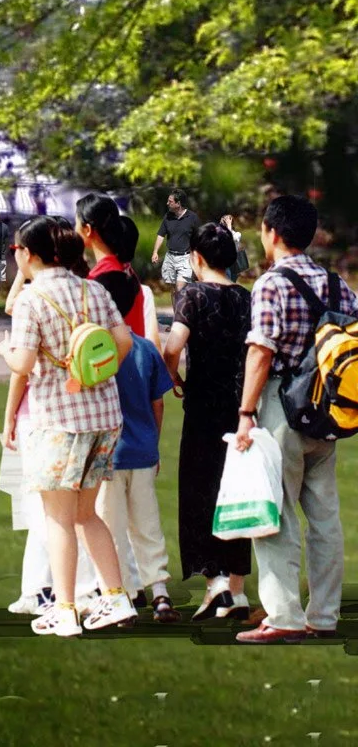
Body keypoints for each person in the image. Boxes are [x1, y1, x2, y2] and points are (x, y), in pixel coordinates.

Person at [1, 215, 138, 637]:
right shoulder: (92, 289)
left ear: (29, 253)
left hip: (58, 421)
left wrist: (5, 350)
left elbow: (23, 362)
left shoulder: (31, 298)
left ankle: (65, 609)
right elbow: (123, 342)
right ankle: (115, 597)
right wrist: (91, 371)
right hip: (104, 417)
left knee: (58, 519)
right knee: (86, 514)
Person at [233, 192, 346, 644]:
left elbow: (261, 352)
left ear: (272, 232)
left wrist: (246, 413)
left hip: (282, 405)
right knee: (325, 517)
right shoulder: (338, 285)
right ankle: (324, 615)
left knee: (275, 510)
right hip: (328, 409)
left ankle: (283, 616)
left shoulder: (271, 284)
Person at [160, 221, 253, 619]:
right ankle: (237, 587)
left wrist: (172, 376)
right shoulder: (246, 298)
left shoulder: (193, 295)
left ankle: (215, 583)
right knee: (238, 494)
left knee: (201, 492)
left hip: (202, 408)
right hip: (241, 407)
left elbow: (173, 346)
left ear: (196, 258)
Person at [94, 270, 176, 620]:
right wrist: (153, 444)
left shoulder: (98, 352)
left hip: (108, 455)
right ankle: (160, 592)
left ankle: (123, 593)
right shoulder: (145, 349)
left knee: (110, 527)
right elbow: (159, 403)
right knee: (147, 525)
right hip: (143, 451)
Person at [79, 197, 154, 342]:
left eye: (76, 223)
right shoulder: (125, 269)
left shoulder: (103, 278)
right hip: (132, 353)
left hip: (115, 355)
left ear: (87, 229)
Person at [158, 192, 200, 286]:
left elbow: (198, 238)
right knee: (173, 289)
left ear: (178, 203)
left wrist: (197, 256)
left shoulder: (193, 218)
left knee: (180, 288)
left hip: (185, 258)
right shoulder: (168, 216)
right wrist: (155, 252)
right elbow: (161, 235)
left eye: (170, 201)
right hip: (170, 257)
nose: (167, 203)